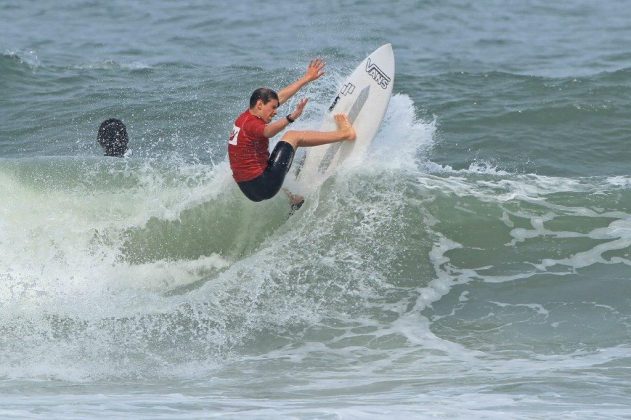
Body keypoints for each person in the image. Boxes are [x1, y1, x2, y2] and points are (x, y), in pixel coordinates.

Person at [228, 59, 355, 207]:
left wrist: (307, 78)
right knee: (292, 136)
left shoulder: (244, 118)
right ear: (260, 104)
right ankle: (345, 134)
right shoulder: (252, 124)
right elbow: (268, 132)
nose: (275, 112)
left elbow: (280, 97)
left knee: (263, 161)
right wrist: (291, 117)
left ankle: (294, 199)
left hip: (249, 190)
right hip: (264, 185)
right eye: (273, 108)